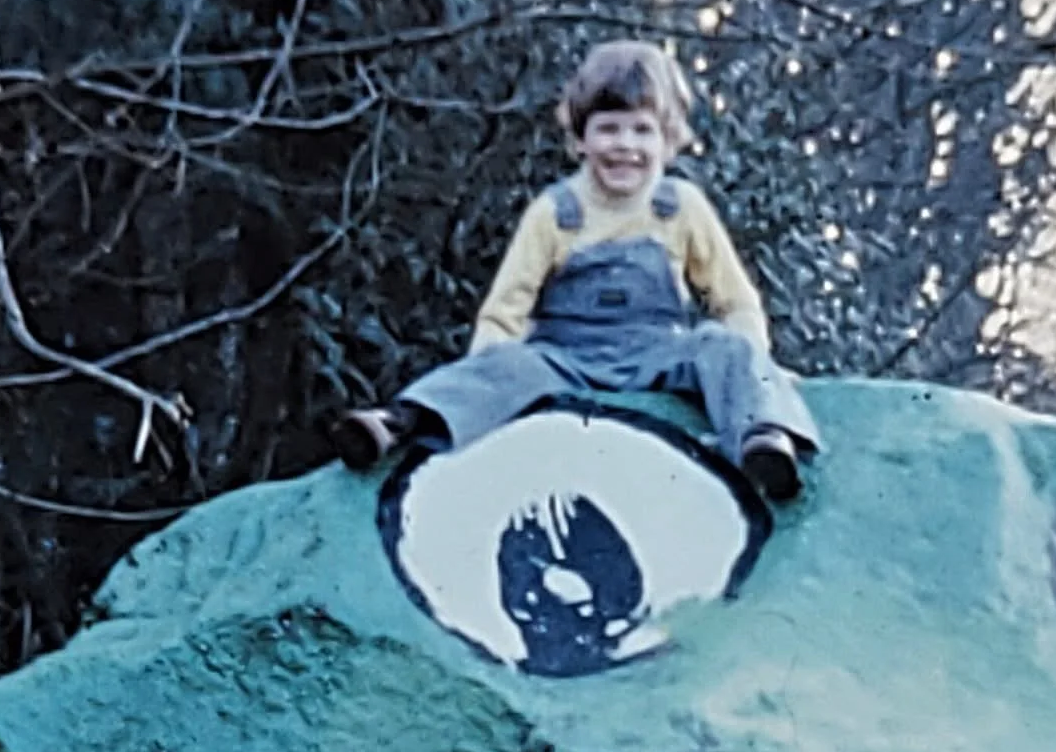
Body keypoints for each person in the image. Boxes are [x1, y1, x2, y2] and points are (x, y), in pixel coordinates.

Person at [331, 41, 821, 499]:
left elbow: (733, 299)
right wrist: (490, 369)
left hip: (658, 351)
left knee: (726, 347)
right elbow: (506, 310)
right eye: (608, 129)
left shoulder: (681, 207)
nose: (624, 145)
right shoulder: (555, 211)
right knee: (508, 365)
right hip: (567, 358)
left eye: (641, 130)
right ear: (580, 139)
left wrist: (757, 363)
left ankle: (763, 440)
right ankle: (396, 423)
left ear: (670, 141)